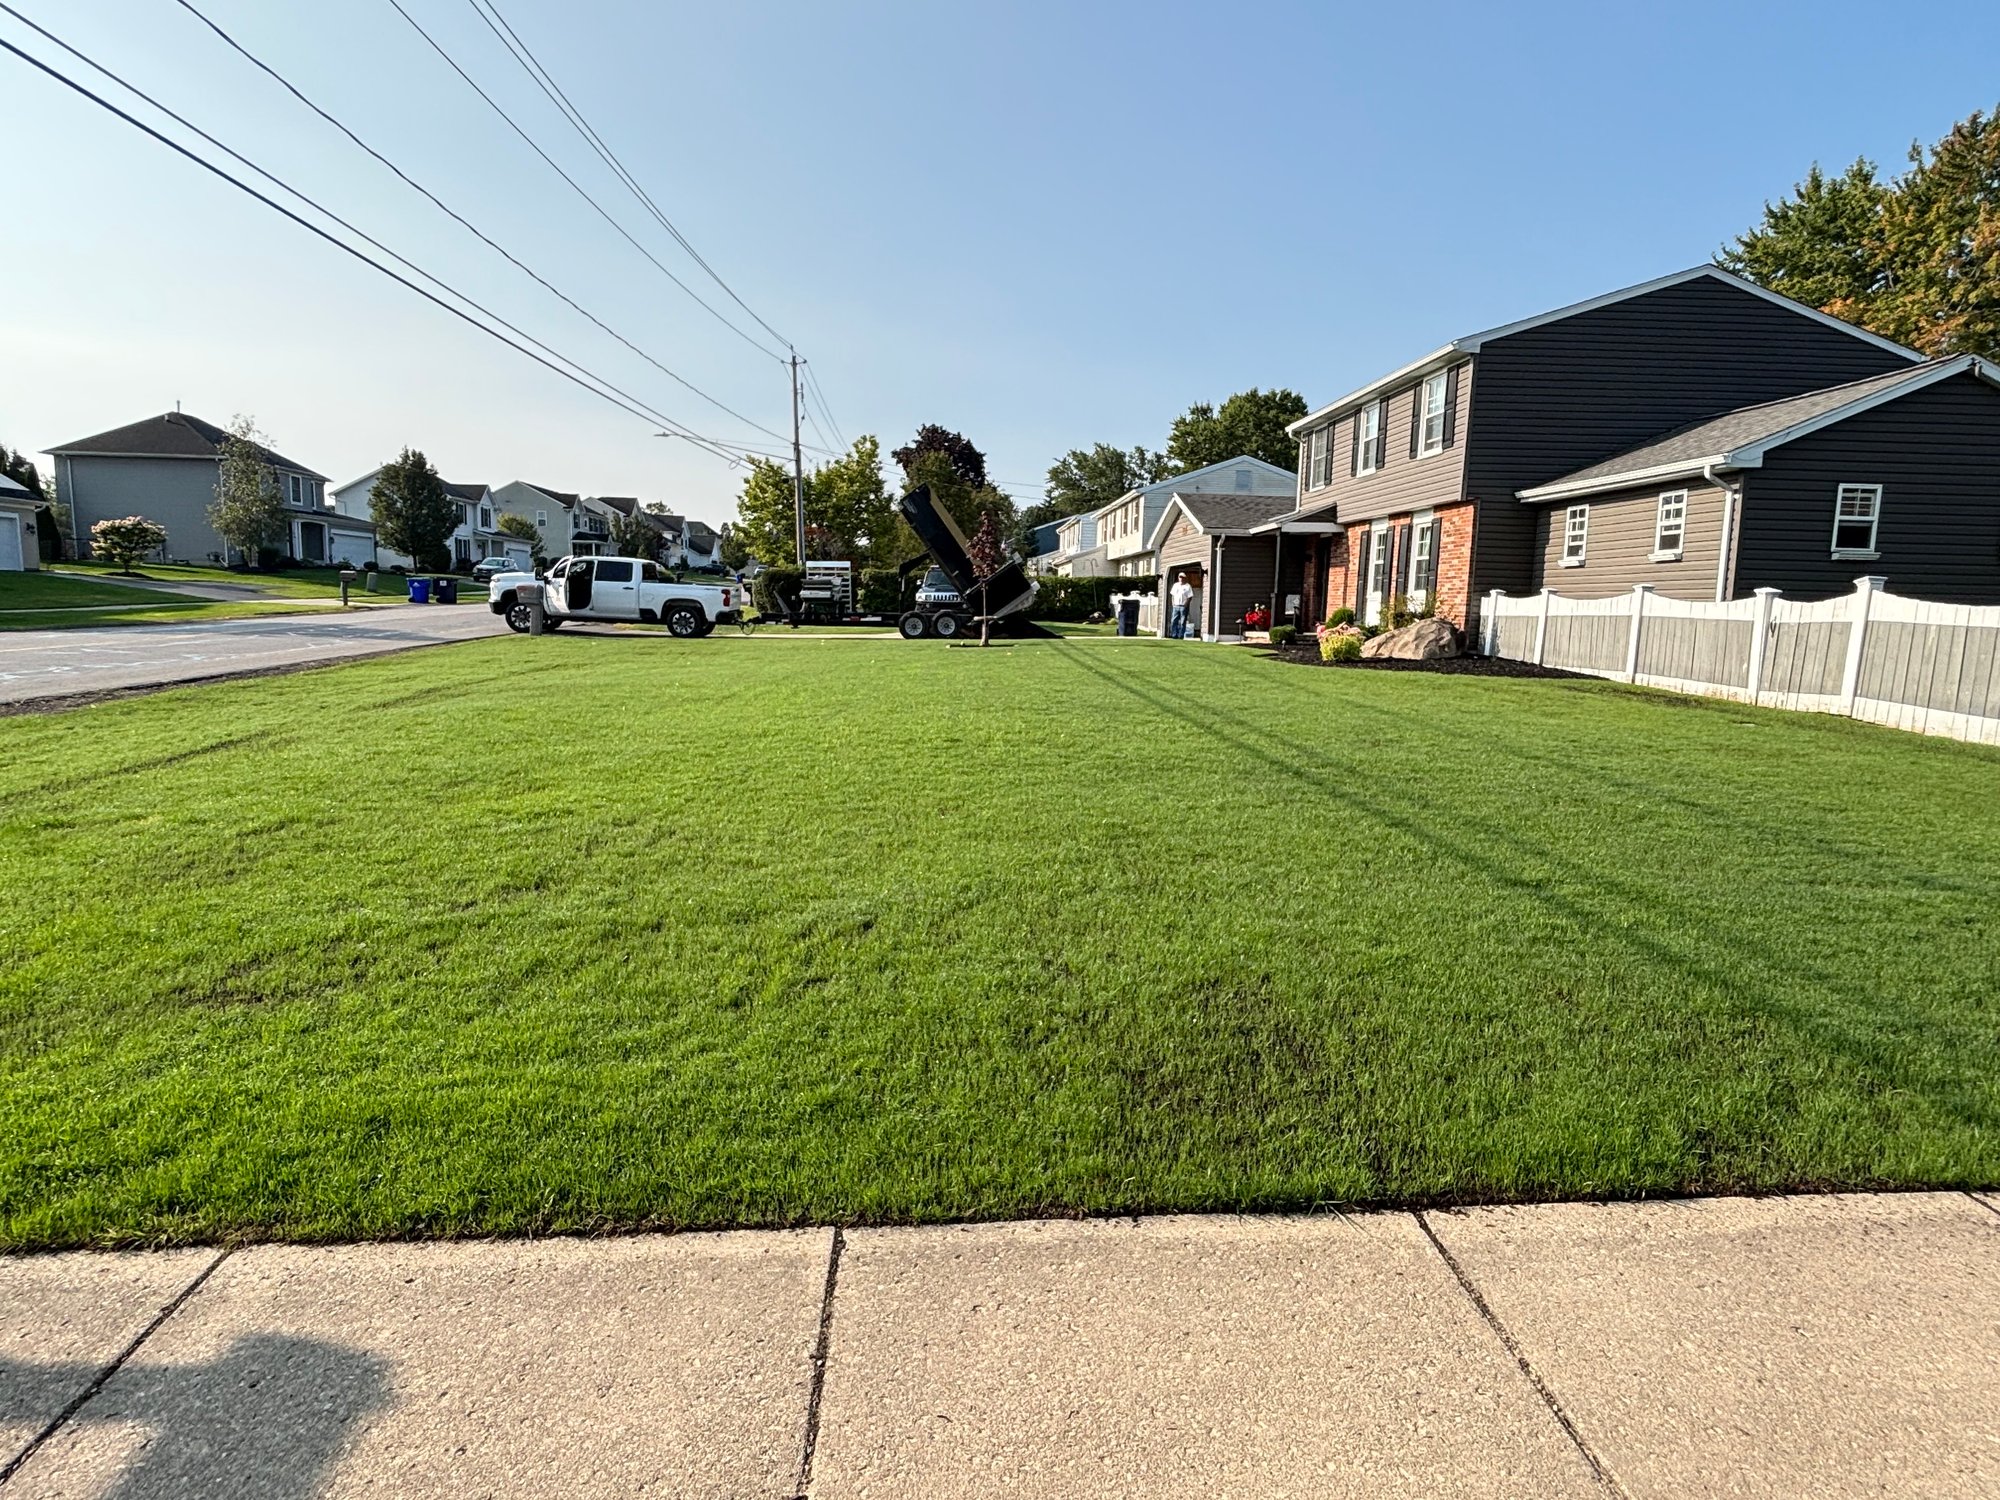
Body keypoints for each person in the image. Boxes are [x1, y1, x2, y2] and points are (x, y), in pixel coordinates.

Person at [1168, 572, 1194, 639]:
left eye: (1182, 577)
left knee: (1182, 622)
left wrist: (1186, 604)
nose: (1181, 578)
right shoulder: (1175, 585)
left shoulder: (1188, 586)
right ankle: (1174, 635)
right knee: (1174, 621)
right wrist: (1173, 603)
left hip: (1183, 606)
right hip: (1176, 606)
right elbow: (1173, 595)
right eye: (1180, 577)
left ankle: (1181, 635)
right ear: (1178, 578)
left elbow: (1190, 597)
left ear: (1185, 578)